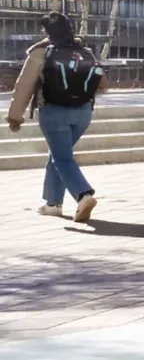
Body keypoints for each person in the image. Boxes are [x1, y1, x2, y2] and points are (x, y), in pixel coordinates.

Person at [7, 12, 103, 223]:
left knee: (62, 158)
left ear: (47, 32)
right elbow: (100, 83)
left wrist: (15, 116)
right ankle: (53, 204)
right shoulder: (85, 52)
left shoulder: (40, 53)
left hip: (54, 112)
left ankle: (83, 195)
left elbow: (24, 86)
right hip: (83, 113)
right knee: (58, 155)